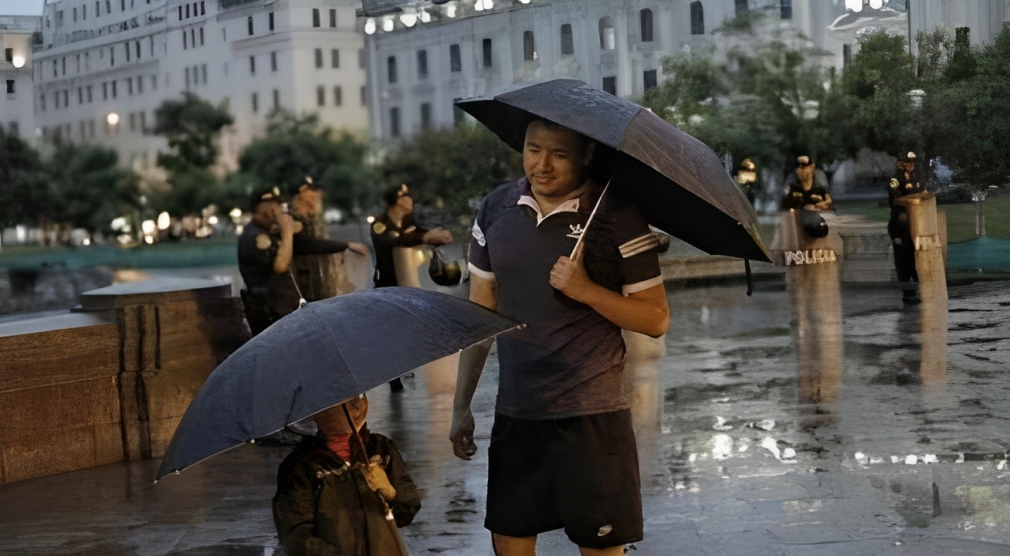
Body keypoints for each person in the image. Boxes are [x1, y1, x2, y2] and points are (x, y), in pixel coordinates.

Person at [449, 119, 670, 556]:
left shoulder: (618, 216)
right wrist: (461, 406)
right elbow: (481, 316)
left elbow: (656, 318)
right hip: (518, 414)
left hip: (592, 419)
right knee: (510, 542)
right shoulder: (495, 209)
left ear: (586, 155)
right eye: (533, 150)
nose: (541, 165)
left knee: (601, 547)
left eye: (559, 154)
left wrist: (584, 289)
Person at [273, 395, 422, 556]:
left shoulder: (380, 449)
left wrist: (389, 491)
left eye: (354, 399)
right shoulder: (300, 465)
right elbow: (295, 534)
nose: (349, 406)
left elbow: (408, 509)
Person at [238, 186, 368, 336]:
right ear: (259, 207)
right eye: (273, 205)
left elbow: (304, 244)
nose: (277, 209)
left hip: (281, 310)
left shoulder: (271, 232)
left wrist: (347, 245)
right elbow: (280, 266)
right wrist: (286, 230)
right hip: (267, 312)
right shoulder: (254, 236)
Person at [370, 183, 453, 391]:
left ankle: (410, 368)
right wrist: (423, 237)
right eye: (405, 197)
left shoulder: (411, 223)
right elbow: (392, 239)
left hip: (410, 285)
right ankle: (394, 378)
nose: (410, 202)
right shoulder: (380, 224)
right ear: (396, 201)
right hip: (388, 286)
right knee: (391, 333)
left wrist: (436, 236)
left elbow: (418, 234)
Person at [288, 177, 370, 303]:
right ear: (302, 193)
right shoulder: (292, 217)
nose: (318, 195)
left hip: (320, 277)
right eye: (313, 191)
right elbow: (304, 243)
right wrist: (346, 245)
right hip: (302, 281)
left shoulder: (313, 215)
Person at [887, 151, 925, 302]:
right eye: (908, 163)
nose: (911, 165)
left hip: (917, 221)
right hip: (901, 225)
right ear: (900, 163)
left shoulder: (917, 178)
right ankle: (907, 293)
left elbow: (923, 192)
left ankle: (920, 288)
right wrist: (911, 200)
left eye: (913, 163)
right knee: (903, 260)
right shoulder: (895, 179)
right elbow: (895, 200)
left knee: (917, 257)